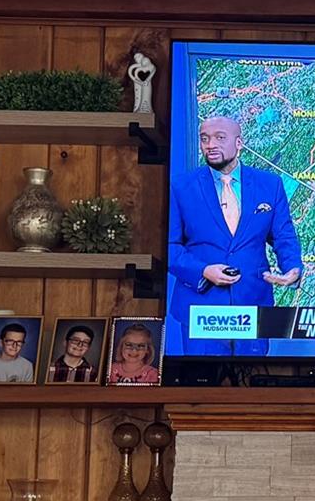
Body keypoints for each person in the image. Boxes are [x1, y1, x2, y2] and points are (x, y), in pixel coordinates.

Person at [166, 113, 301, 356]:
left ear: (239, 143)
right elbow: (169, 245)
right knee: (203, 379)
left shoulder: (269, 184)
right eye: (204, 138)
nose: (210, 145)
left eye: (219, 138)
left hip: (251, 302)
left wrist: (292, 268)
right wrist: (203, 271)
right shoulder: (181, 187)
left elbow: (284, 236)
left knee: (250, 377)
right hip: (201, 307)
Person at [106, 321, 162, 385]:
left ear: (148, 350)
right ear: (121, 347)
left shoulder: (153, 374)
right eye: (129, 345)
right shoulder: (110, 370)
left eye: (140, 346)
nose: (134, 350)